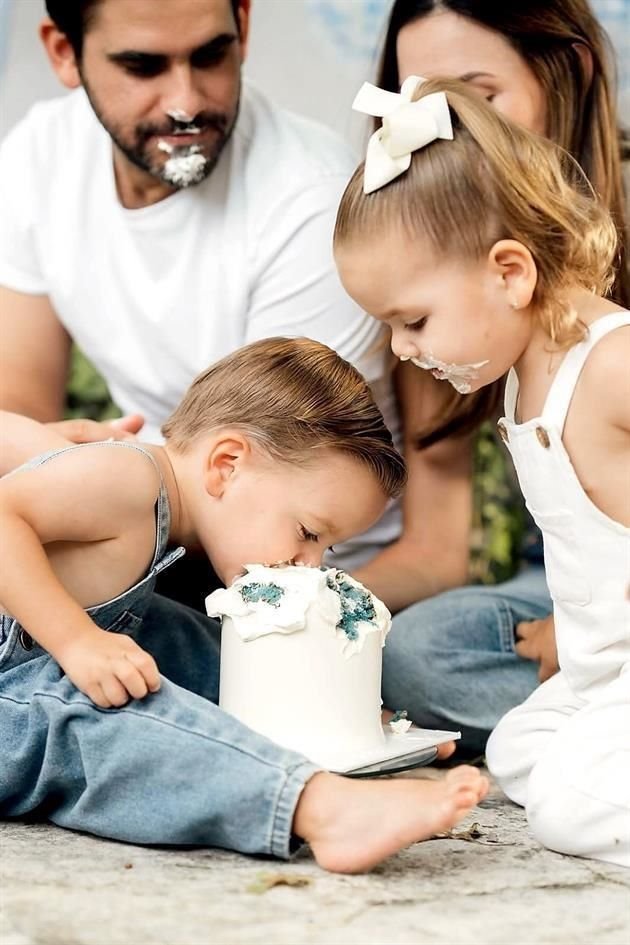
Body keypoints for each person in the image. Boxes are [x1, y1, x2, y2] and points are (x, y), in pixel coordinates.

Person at [0, 336, 488, 872]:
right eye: (307, 532)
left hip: (31, 656)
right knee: (98, 716)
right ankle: (316, 809)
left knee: (184, 642)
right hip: (12, 690)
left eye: (325, 547)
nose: (311, 563)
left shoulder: (149, 499)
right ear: (227, 465)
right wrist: (77, 641)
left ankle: (324, 722)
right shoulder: (126, 476)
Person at [0, 0, 401, 603]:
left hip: (267, 563)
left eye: (210, 55)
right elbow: (20, 422)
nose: (185, 101)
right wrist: (80, 475)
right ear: (64, 51)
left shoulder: (311, 205)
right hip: (147, 520)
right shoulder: (39, 156)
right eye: (143, 66)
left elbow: (267, 498)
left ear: (243, 25)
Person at [333, 74, 629, 865]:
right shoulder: (519, 373)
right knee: (518, 750)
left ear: (510, 272)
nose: (399, 349)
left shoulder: (611, 365)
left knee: (566, 812)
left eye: (413, 320)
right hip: (604, 668)